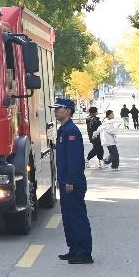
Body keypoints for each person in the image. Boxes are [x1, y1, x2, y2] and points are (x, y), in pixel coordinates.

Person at [53, 98, 94, 264]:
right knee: (68, 218)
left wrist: (70, 181)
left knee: (77, 218)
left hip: (73, 182)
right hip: (65, 181)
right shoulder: (63, 129)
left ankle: (84, 253)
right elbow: (62, 160)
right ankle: (74, 249)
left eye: (58, 108)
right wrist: (60, 179)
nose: (55, 111)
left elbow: (75, 160)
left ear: (68, 111)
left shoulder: (71, 131)